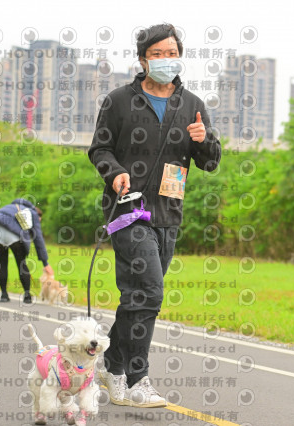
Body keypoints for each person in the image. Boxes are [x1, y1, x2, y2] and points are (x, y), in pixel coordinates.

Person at [88, 23, 221, 408]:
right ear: (143, 59)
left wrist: (205, 141)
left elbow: (210, 162)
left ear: (180, 57)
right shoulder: (119, 101)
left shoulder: (193, 104)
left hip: (168, 212)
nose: (165, 60)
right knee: (150, 292)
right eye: (157, 54)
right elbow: (99, 150)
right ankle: (138, 379)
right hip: (127, 209)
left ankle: (112, 366)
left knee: (138, 295)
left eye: (171, 53)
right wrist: (115, 173)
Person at [0, 198, 54, 303]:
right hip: (14, 235)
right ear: (38, 215)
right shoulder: (32, 213)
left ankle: (4, 295)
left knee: (2, 262)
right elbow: (38, 238)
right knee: (21, 263)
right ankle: (27, 296)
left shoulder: (8, 207)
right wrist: (45, 263)